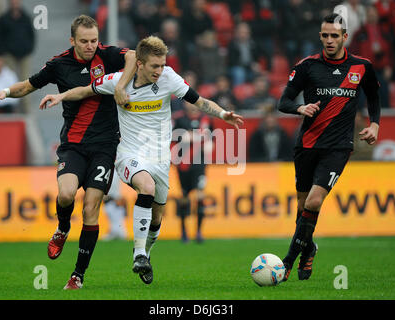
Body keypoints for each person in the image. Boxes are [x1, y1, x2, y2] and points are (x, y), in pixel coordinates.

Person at [39, 35, 244, 285]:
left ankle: (146, 253)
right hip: (129, 153)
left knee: (157, 218)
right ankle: (137, 254)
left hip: (159, 158)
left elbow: (198, 101)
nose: (160, 70)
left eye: (162, 65)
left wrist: (223, 114)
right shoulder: (117, 82)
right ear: (140, 64)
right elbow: (86, 89)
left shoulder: (169, 78)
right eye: (154, 66)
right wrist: (59, 97)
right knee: (145, 187)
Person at [0, 15, 136, 290]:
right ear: (72, 41)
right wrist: (5, 91)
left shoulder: (108, 55)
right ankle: (63, 228)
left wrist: (121, 85)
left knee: (91, 208)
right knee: (66, 194)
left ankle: (77, 275)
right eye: (84, 41)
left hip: (105, 146)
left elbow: (135, 56)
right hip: (73, 144)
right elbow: (29, 85)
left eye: (94, 40)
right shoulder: (58, 64)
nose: (91, 46)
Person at [278, 13, 381, 282]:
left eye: (334, 35)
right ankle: (308, 248)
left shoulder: (362, 67)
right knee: (302, 208)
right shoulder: (307, 66)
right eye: (325, 35)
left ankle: (287, 262)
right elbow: (283, 101)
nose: (329, 40)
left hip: (338, 147)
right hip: (307, 144)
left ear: (345, 37)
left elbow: (374, 95)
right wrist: (300, 107)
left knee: (314, 200)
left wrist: (375, 124)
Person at [172, 102, 213, 243]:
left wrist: (205, 143)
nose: (193, 105)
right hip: (183, 164)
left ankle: (199, 232)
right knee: (184, 196)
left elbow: (210, 139)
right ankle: (184, 232)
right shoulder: (179, 118)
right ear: (184, 104)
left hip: (199, 163)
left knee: (201, 194)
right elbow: (172, 137)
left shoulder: (205, 119)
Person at [102, 170, 128, 240]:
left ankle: (116, 234)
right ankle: (115, 234)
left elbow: (112, 188)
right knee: (116, 221)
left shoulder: (113, 172)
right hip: (113, 200)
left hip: (114, 200)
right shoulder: (116, 171)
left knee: (116, 221)